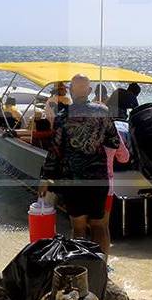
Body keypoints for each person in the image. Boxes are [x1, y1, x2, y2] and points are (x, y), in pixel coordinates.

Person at [38, 73, 120, 254]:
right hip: (98, 178)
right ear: (90, 91)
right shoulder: (103, 112)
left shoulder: (62, 117)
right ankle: (102, 267)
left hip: (73, 180)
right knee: (99, 226)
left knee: (79, 227)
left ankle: (82, 264)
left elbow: (55, 151)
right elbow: (114, 142)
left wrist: (46, 178)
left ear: (70, 91)